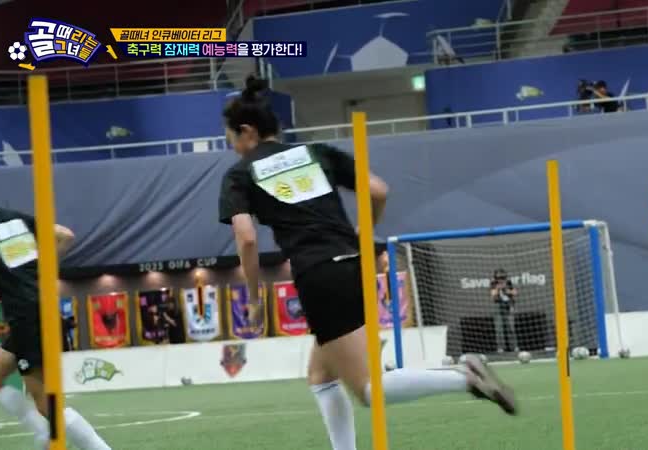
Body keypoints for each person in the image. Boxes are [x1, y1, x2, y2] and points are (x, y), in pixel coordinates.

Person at [219, 76, 517, 450]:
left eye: (231, 139)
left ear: (247, 131)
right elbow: (378, 190)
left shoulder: (240, 173)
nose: (232, 147)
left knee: (370, 390)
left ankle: (465, 377)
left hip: (319, 274)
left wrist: (253, 296)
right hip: (354, 265)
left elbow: (246, 238)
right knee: (320, 376)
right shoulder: (316, 153)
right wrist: (365, 231)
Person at [0, 199, 112, 450]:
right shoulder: (11, 217)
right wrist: (39, 271)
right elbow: (65, 235)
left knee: (47, 405)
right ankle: (43, 432)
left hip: (25, 314)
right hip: (38, 306)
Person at [491, 268, 519, 353]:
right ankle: (500, 348)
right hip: (498, 306)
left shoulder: (509, 283)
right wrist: (498, 288)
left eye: (502, 278)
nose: (501, 280)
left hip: (508, 305)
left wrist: (507, 290)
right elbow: (493, 294)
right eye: (498, 278)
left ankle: (514, 347)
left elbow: (515, 292)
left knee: (511, 327)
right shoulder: (493, 284)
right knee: (499, 328)